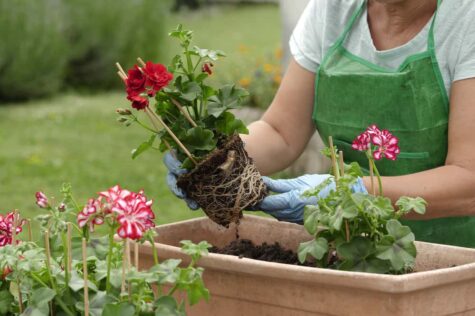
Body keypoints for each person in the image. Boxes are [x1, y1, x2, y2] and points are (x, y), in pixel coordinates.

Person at [166, 0, 475, 247]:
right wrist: (214, 161)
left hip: (456, 261)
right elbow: (281, 132)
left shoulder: (465, 19)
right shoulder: (333, 9)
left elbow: (468, 180)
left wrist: (354, 194)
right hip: (356, 247)